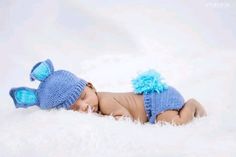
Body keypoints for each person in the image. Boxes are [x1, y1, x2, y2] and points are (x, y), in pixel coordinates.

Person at [9, 59, 207, 125]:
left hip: (157, 101)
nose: (84, 106)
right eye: (74, 108)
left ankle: (191, 105)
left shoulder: (105, 102)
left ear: (92, 87)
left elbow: (126, 119)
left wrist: (103, 120)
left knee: (174, 124)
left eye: (84, 97)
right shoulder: (94, 102)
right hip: (154, 101)